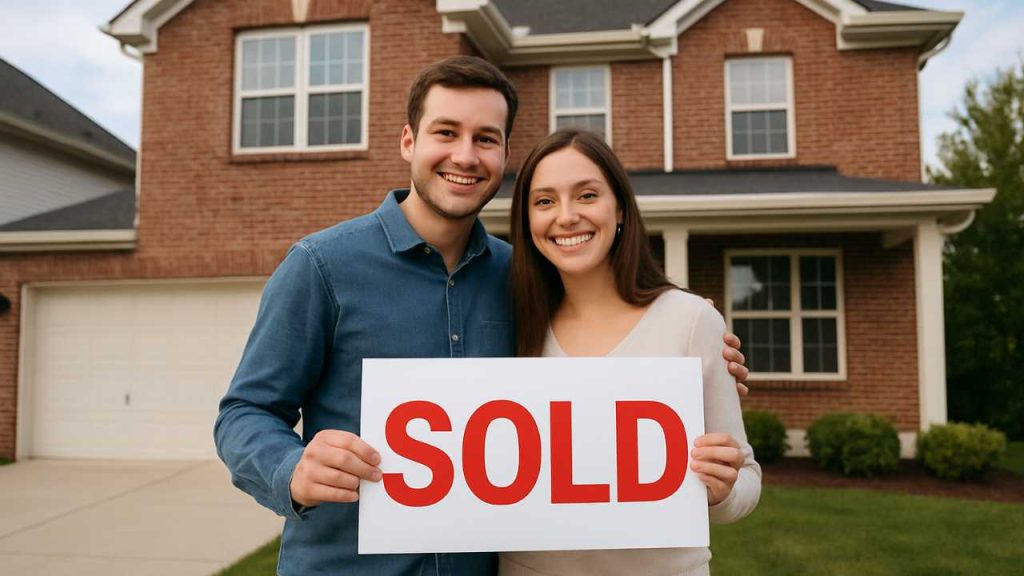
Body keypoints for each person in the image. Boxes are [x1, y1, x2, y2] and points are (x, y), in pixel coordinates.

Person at [214, 56, 749, 576]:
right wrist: (291, 469)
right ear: (409, 141)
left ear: (504, 153)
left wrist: (689, 342)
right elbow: (244, 412)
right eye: (445, 132)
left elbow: (600, 341)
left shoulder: (523, 279)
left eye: (485, 138)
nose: (465, 156)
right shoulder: (322, 267)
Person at [500, 129, 761, 576]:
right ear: (526, 221)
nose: (566, 216)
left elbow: (746, 477)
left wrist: (722, 490)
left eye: (586, 195)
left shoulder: (691, 320)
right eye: (544, 201)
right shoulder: (508, 325)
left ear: (619, 208)